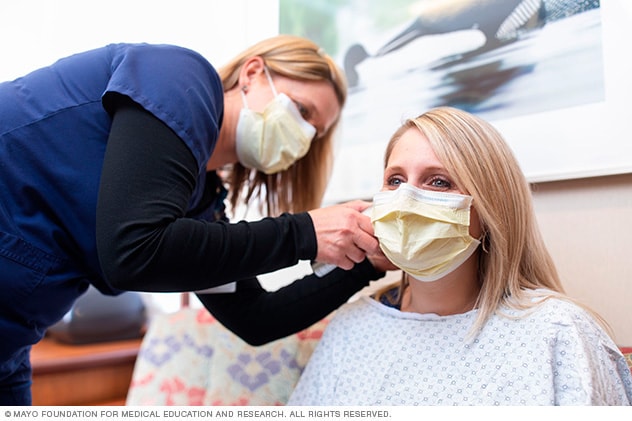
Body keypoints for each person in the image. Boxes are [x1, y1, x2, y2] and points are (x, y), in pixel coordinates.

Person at [0, 35, 394, 405]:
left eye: (316, 133)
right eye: (303, 111)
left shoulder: (198, 203)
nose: (304, 135)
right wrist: (306, 232)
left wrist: (363, 269)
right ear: (253, 73)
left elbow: (255, 316)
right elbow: (134, 252)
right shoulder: (177, 78)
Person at [288, 106, 632, 406]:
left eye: (438, 182)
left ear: (491, 208)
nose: (405, 199)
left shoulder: (557, 333)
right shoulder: (352, 329)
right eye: (395, 180)